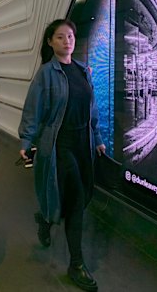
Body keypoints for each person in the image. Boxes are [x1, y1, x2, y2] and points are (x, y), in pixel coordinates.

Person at [18, 19, 105, 292]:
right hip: (59, 144)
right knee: (76, 198)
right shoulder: (46, 74)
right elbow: (33, 110)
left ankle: (44, 219)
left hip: (83, 144)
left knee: (70, 197)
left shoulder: (83, 71)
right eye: (60, 37)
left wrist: (98, 138)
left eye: (70, 36)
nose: (67, 41)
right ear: (50, 42)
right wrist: (26, 140)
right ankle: (76, 263)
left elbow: (92, 110)